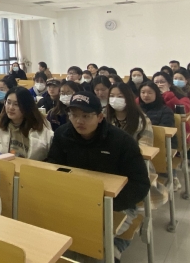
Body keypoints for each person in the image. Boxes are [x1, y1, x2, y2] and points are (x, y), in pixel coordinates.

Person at [47, 92, 150, 262]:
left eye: (86, 116)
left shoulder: (122, 141)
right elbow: (53, 166)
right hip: (76, 200)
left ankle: (112, 251)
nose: (79, 121)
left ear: (100, 117)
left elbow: (140, 184)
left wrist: (104, 203)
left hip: (116, 204)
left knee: (89, 241)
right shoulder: (62, 134)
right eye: (74, 115)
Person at [0, 87, 53, 160]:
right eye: (8, 102)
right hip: (3, 166)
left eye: (16, 104)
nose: (11, 108)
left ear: (27, 106)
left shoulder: (41, 127)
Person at [153, 71, 190, 143]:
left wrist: (167, 94)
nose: (159, 85)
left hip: (178, 130)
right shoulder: (150, 95)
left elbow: (183, 110)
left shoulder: (180, 96)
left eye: (162, 82)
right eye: (156, 82)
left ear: (169, 84)